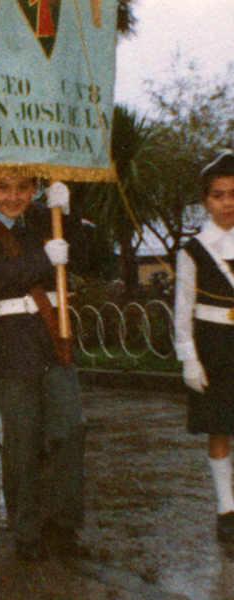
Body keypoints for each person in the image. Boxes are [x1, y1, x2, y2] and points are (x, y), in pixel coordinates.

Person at [0, 176, 88, 561]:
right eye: (3, 188)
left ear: (34, 187)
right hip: (11, 340)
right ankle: (27, 529)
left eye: (23, 187)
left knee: (70, 429)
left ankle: (63, 523)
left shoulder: (47, 218)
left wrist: (69, 213)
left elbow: (80, 256)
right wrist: (43, 259)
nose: (13, 197)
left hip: (53, 334)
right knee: (23, 437)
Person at [175, 149, 234, 544]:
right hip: (215, 346)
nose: (227, 203)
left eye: (233, 194)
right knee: (220, 428)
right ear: (205, 201)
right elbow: (183, 311)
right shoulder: (193, 250)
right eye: (218, 195)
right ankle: (227, 507)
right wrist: (189, 358)